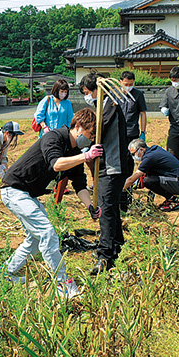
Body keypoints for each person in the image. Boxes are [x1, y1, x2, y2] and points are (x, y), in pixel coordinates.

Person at [0, 108, 102, 299]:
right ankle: (62, 283)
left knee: (36, 240)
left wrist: (90, 207)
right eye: (90, 134)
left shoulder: (75, 151)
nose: (91, 139)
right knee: (47, 233)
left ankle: (5, 274)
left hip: (28, 194)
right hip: (14, 190)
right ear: (78, 127)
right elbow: (56, 164)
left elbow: (79, 185)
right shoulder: (54, 137)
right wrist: (86, 156)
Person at [80, 72, 130, 275]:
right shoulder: (105, 105)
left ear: (95, 90)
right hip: (108, 166)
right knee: (111, 207)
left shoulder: (109, 106)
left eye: (86, 92)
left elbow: (96, 131)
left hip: (112, 166)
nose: (86, 96)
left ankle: (105, 256)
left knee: (106, 210)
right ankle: (117, 243)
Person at [124, 139, 179, 212]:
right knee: (147, 178)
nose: (133, 157)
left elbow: (132, 179)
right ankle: (170, 198)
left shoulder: (150, 157)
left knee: (148, 181)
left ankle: (172, 200)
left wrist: (120, 189)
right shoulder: (154, 149)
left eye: (133, 154)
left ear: (141, 150)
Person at [118, 69, 148, 210]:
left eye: (131, 84)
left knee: (130, 165)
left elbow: (143, 114)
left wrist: (143, 132)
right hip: (117, 134)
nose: (128, 86)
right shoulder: (115, 95)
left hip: (132, 134)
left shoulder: (138, 95)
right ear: (120, 83)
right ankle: (118, 193)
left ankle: (127, 194)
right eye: (126, 84)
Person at [159, 66, 179, 164]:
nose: (174, 83)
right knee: (171, 157)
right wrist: (164, 109)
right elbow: (163, 105)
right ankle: (174, 178)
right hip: (174, 129)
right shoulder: (169, 91)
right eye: (172, 80)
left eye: (176, 80)